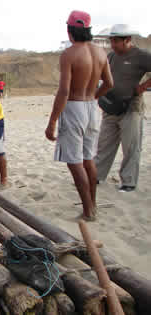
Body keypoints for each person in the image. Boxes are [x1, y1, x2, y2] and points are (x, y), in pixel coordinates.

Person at [45, 10, 113, 221]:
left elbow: (64, 91)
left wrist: (52, 122)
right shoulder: (101, 53)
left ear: (69, 30)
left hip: (74, 106)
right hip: (92, 107)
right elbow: (110, 84)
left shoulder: (69, 54)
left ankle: (87, 211)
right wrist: (93, 96)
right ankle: (92, 205)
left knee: (74, 162)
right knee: (88, 158)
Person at [95, 24, 151, 192]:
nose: (112, 44)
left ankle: (128, 182)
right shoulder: (111, 56)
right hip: (110, 106)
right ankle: (96, 176)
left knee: (130, 146)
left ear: (128, 40)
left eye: (116, 41)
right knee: (104, 144)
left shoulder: (141, 56)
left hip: (131, 107)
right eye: (111, 40)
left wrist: (142, 87)